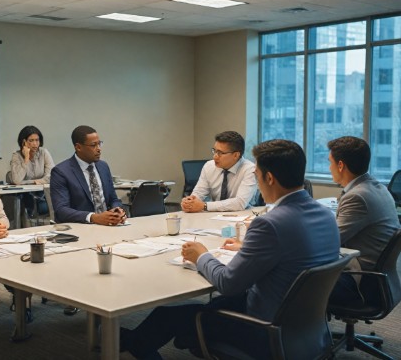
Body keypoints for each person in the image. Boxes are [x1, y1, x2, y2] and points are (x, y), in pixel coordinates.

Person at [121, 139, 341, 359]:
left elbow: (227, 283)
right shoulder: (326, 215)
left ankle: (126, 341)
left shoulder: (268, 224)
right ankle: (130, 340)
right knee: (210, 306)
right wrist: (247, 247)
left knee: (167, 316)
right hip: (304, 327)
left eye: (257, 175)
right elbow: (291, 253)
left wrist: (202, 256)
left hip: (264, 329)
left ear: (270, 178)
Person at [327, 136, 400, 306]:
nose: (329, 168)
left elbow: (329, 242)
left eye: (330, 162)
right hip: (380, 277)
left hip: (362, 281)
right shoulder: (376, 186)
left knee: (295, 281)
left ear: (340, 165)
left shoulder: (357, 196)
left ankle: (310, 330)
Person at [50, 125, 125, 225]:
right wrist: (93, 217)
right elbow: (61, 210)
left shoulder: (103, 166)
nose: (99, 149)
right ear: (78, 147)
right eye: (93, 145)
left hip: (108, 225)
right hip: (81, 228)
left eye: (99, 144)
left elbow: (113, 199)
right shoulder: (61, 172)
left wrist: (117, 210)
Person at [181, 131, 257, 212]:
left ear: (236, 155)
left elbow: (240, 203)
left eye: (220, 153)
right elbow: (198, 193)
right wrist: (189, 202)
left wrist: (204, 206)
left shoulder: (250, 170)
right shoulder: (209, 166)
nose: (215, 156)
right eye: (214, 151)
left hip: (243, 216)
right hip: (214, 216)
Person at [9, 125, 54, 217]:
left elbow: (52, 176)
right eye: (31, 140)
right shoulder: (16, 156)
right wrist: (26, 159)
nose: (35, 144)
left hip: (42, 194)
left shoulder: (44, 152)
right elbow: (17, 180)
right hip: (24, 196)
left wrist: (28, 182)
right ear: (23, 142)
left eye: (37, 140)